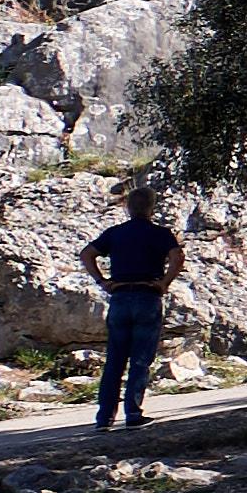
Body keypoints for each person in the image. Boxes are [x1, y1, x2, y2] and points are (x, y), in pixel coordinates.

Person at [85, 179, 184, 437]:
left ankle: (104, 417)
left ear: (128, 207)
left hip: (119, 297)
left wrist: (103, 281)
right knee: (140, 359)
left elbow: (87, 254)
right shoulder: (160, 234)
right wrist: (164, 282)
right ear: (151, 208)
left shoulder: (115, 233)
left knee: (115, 359)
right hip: (147, 295)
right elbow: (177, 256)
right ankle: (133, 413)